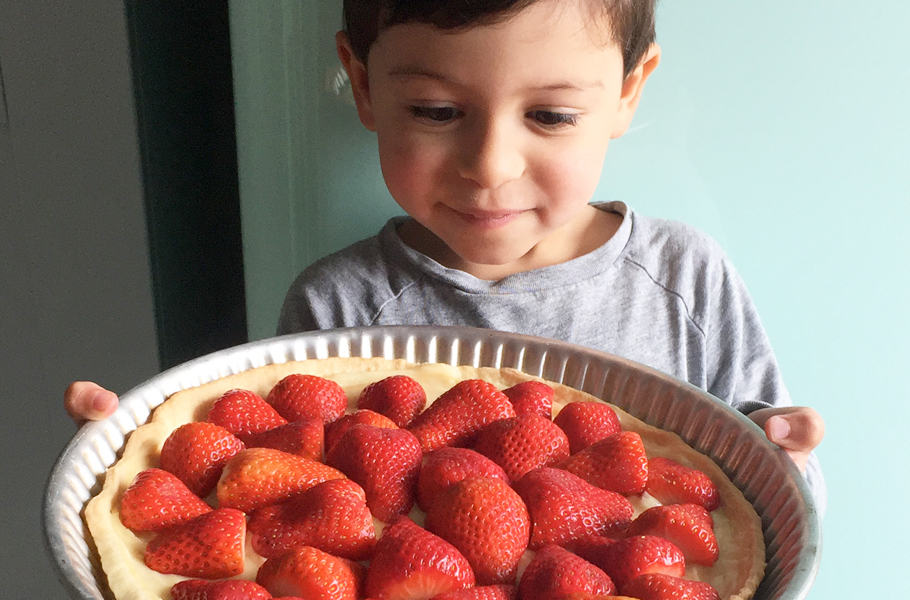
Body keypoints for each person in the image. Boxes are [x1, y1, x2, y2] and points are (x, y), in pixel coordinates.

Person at [65, 0, 825, 509]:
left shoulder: (687, 278)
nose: (489, 165)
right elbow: (278, 490)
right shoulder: (339, 303)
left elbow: (766, 485)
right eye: (436, 111)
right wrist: (147, 456)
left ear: (630, 91)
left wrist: (789, 456)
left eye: (551, 115)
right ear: (362, 85)